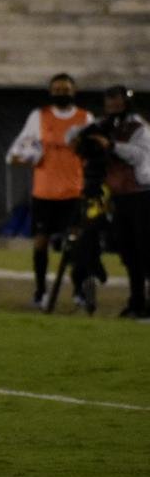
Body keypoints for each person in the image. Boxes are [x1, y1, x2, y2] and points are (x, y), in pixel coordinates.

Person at [6, 73, 93, 309]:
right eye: (56, 89)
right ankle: (40, 291)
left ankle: (79, 291)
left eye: (65, 89)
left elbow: (94, 153)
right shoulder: (39, 116)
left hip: (74, 192)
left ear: (73, 91)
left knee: (76, 245)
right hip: (44, 193)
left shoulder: (85, 118)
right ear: (50, 91)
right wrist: (22, 158)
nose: (61, 93)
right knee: (40, 243)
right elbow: (18, 151)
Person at [91, 86, 150, 319]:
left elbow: (139, 156)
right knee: (129, 253)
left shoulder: (140, 128)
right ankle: (136, 302)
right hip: (120, 196)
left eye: (117, 104)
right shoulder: (107, 126)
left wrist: (111, 145)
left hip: (142, 194)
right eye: (109, 105)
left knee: (146, 252)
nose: (113, 109)